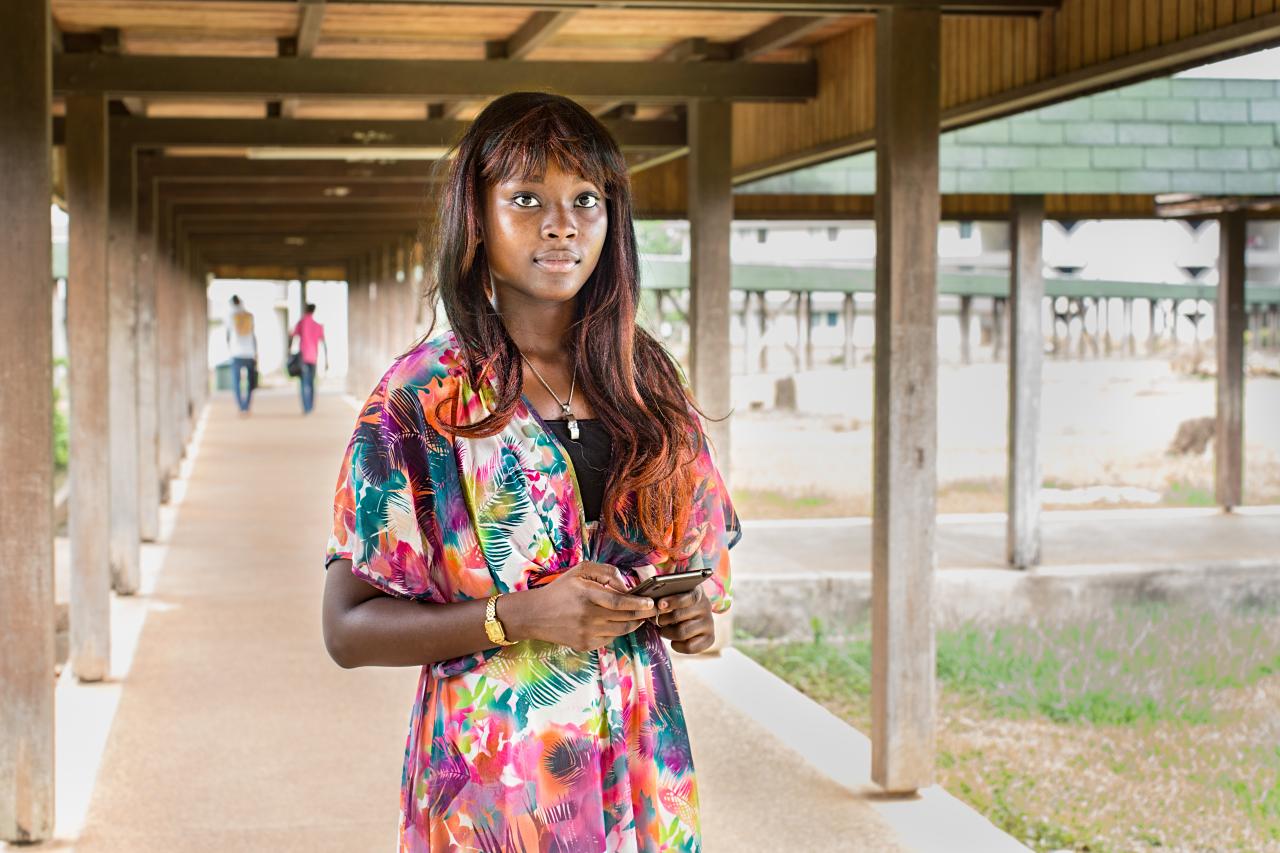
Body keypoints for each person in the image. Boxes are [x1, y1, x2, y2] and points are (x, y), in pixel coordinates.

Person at [321, 91, 740, 852]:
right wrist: (516, 615)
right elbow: (346, 627)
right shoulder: (421, 399)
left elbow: (698, 566)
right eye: (527, 198)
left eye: (587, 199)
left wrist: (690, 617)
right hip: (498, 790)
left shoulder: (647, 382)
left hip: (642, 763)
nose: (562, 223)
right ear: (476, 222)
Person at [289, 302, 328, 414]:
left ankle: (306, 408)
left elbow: (292, 336)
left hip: (303, 358)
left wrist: (289, 351)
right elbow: (324, 343)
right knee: (311, 383)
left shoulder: (301, 323)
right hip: (314, 358)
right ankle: (310, 406)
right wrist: (326, 360)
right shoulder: (318, 325)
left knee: (304, 383)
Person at [225, 295, 257, 416]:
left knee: (236, 382)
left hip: (236, 353)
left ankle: (241, 406)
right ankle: (247, 405)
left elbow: (227, 336)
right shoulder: (249, 316)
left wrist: (229, 348)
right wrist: (255, 353)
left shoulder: (230, 317)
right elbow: (254, 336)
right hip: (249, 353)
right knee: (250, 382)